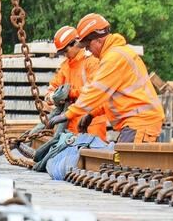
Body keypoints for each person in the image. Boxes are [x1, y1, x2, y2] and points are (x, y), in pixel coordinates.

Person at [62, 13, 164, 143]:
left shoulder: (114, 58)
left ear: (98, 40)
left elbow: (96, 91)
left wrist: (68, 114)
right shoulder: (115, 55)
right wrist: (91, 114)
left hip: (140, 122)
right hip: (139, 122)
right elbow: (110, 97)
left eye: (88, 46)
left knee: (125, 162)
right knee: (121, 161)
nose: (88, 51)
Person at [45, 25, 108, 139]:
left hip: (91, 124)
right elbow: (52, 87)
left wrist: (69, 93)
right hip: (71, 124)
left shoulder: (92, 62)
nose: (65, 54)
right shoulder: (66, 66)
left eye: (65, 51)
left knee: (92, 154)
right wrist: (51, 96)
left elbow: (93, 91)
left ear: (75, 43)